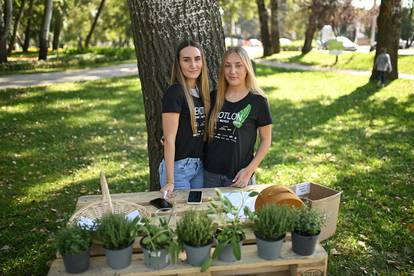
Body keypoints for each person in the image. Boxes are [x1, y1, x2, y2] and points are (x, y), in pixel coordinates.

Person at [204, 47, 272, 188]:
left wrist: (249, 171)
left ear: (247, 67)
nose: (232, 71)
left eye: (238, 65)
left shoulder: (258, 101)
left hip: (239, 177)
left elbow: (266, 140)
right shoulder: (214, 97)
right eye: (227, 65)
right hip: (209, 175)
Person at [159, 40, 210, 196]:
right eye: (186, 60)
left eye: (197, 59)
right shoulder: (175, 92)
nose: (193, 65)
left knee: (195, 214)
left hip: (199, 166)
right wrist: (170, 181)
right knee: (179, 215)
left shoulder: (203, 93)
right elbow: (169, 139)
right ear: (179, 63)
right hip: (178, 169)